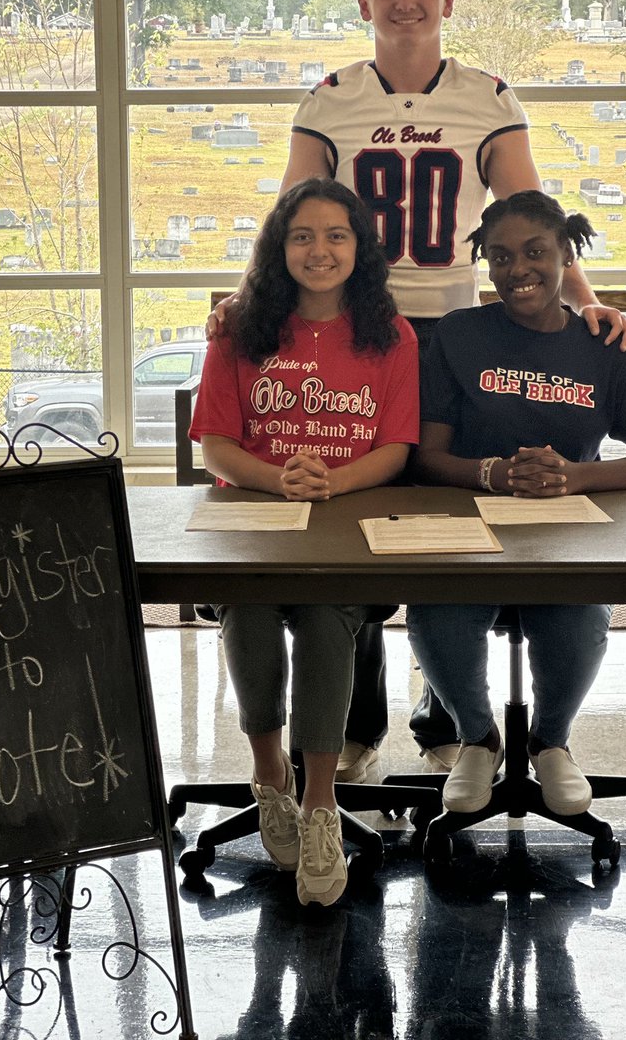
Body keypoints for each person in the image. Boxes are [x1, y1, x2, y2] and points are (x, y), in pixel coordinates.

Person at [211, 0, 626, 783]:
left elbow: (533, 214)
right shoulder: (332, 98)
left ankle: (450, 713)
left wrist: (586, 303)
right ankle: (355, 718)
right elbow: (295, 211)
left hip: (449, 322)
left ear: (447, 0)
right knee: (352, 521)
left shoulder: (486, 95)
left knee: (446, 515)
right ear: (364, 3)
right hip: (352, 317)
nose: (406, 4)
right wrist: (249, 291)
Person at [406, 190, 626, 818]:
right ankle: (477, 740)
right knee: (436, 613)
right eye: (500, 257)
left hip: (567, 530)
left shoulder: (604, 346)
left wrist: (577, 478)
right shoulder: (458, 335)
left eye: (535, 252)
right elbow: (426, 457)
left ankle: (550, 742)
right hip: (469, 525)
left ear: (566, 253)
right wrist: (494, 473)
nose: (518, 270)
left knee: (578, 613)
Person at [189, 177, 419, 907]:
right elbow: (217, 447)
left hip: (343, 520)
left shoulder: (393, 333)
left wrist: (332, 483)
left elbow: (397, 448)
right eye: (302, 236)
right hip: (253, 516)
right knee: (249, 612)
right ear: (278, 247)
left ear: (361, 248)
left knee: (327, 620)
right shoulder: (238, 329)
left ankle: (321, 805)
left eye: (336, 236)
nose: (319, 251)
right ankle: (270, 782)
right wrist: (275, 478)